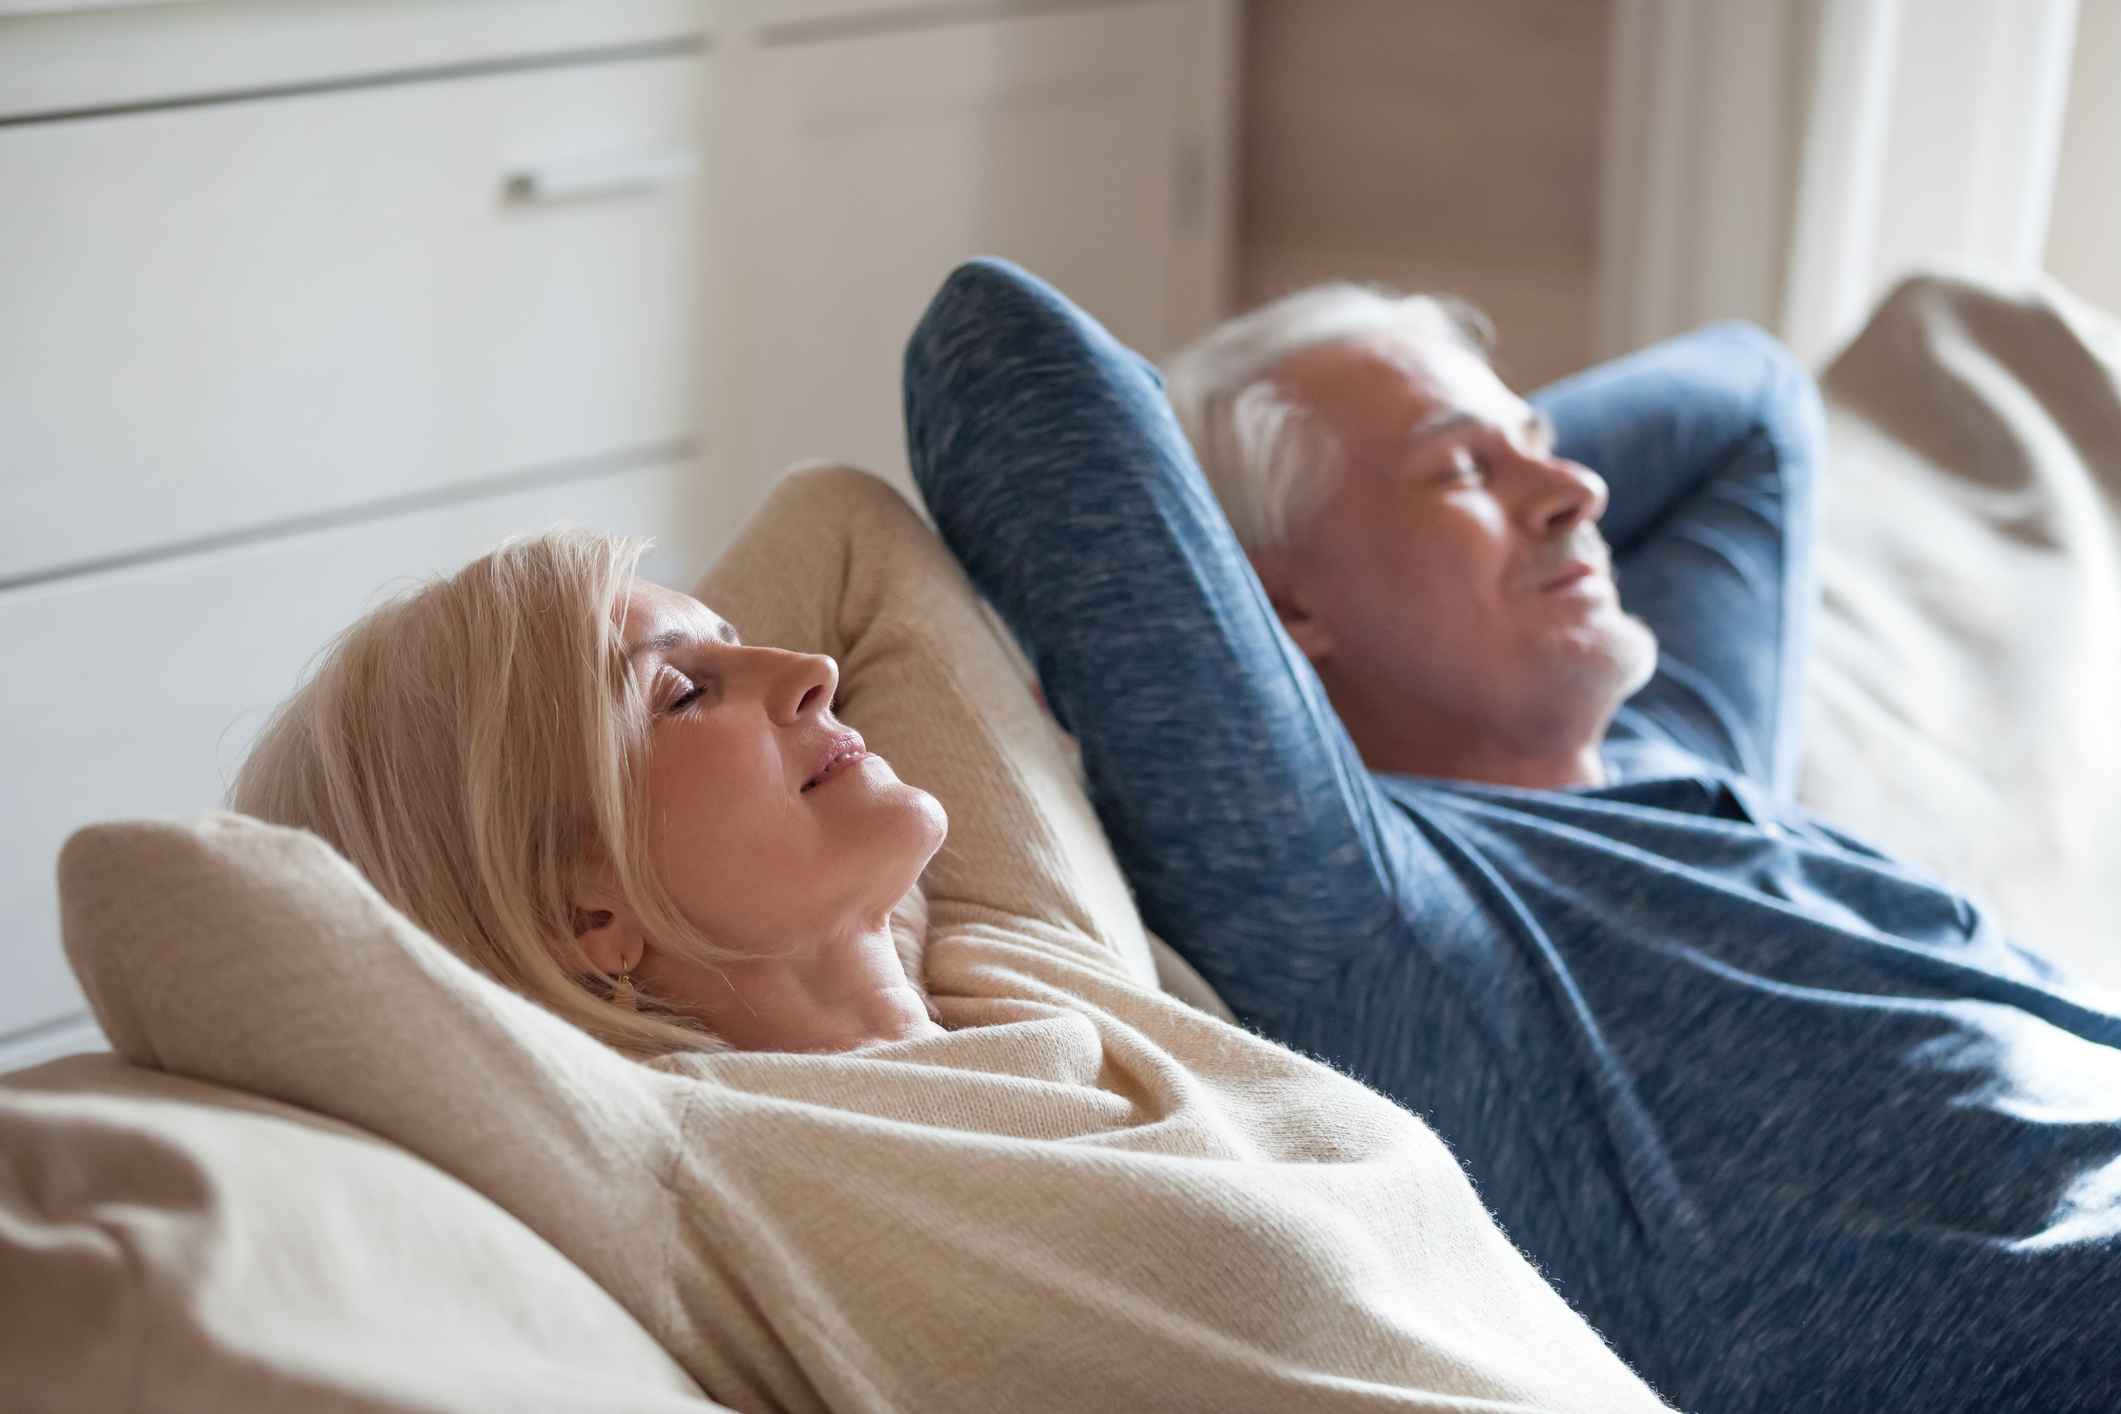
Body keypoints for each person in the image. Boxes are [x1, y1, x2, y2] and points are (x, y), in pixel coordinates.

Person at [905, 258, 2121, 1414]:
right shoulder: (1372, 904)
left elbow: (1748, 401)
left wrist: (1481, 455)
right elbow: (1000, 353)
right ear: (1276, 607)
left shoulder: (1683, 744)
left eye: (1544, 445)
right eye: (1459, 475)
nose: (1581, 488)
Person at [226, 470, 1672, 1411]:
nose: (808, 668)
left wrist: (633, 701)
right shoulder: (688, 1159)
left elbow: (846, 530)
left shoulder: (1023, 958)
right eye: (682, 693)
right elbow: (166, 904)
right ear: (579, 911)